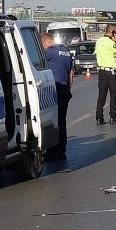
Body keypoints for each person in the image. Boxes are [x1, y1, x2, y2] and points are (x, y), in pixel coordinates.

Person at [41, 32, 73, 160]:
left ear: (47, 42)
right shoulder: (66, 51)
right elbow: (70, 73)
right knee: (62, 121)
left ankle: (52, 151)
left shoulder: (50, 52)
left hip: (54, 90)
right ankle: (61, 150)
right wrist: (68, 88)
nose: (43, 48)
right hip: (65, 89)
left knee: (52, 121)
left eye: (42, 45)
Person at [94, 24, 116, 124]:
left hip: (101, 72)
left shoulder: (98, 41)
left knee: (101, 95)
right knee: (113, 95)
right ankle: (113, 117)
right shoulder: (111, 42)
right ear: (113, 32)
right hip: (110, 72)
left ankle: (99, 117)